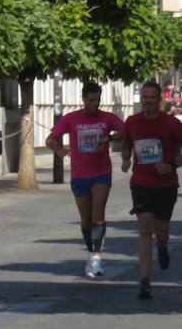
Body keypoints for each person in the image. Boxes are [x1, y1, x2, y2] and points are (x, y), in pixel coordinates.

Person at [45, 81, 124, 278]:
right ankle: (90, 252)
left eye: (97, 100)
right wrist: (61, 151)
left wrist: (110, 138)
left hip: (101, 173)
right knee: (86, 220)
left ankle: (97, 257)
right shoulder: (72, 119)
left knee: (98, 215)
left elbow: (125, 131)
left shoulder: (107, 118)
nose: (94, 104)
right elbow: (50, 139)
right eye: (91, 100)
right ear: (83, 99)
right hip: (80, 175)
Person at [121, 80, 182, 300]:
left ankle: (163, 246)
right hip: (141, 183)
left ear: (159, 100)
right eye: (145, 97)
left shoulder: (172, 123)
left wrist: (172, 165)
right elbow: (126, 144)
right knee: (145, 229)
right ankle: (145, 282)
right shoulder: (132, 122)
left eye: (152, 98)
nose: (148, 101)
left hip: (166, 185)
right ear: (141, 99)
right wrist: (126, 159)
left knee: (161, 232)